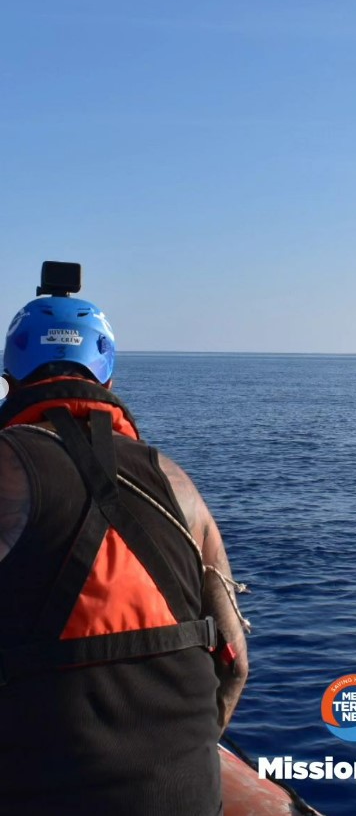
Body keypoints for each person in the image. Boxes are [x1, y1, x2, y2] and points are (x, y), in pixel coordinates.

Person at [0, 268, 249, 816]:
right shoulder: (177, 482)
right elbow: (235, 664)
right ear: (107, 382)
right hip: (188, 794)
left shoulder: (7, 469)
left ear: (10, 378)